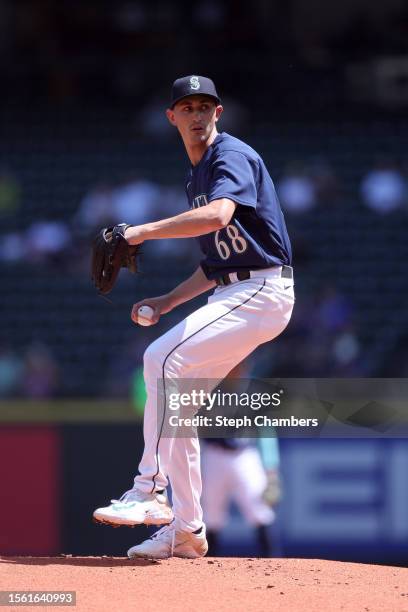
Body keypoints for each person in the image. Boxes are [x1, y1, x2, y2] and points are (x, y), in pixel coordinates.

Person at [93, 75, 295, 559]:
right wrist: (166, 301)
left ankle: (148, 489)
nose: (198, 114)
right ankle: (186, 530)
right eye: (188, 107)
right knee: (178, 406)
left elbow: (219, 216)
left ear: (219, 113)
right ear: (173, 117)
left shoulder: (231, 155)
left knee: (160, 358)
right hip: (236, 288)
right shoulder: (196, 175)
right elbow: (216, 263)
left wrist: (138, 232)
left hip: (262, 290)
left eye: (207, 105)